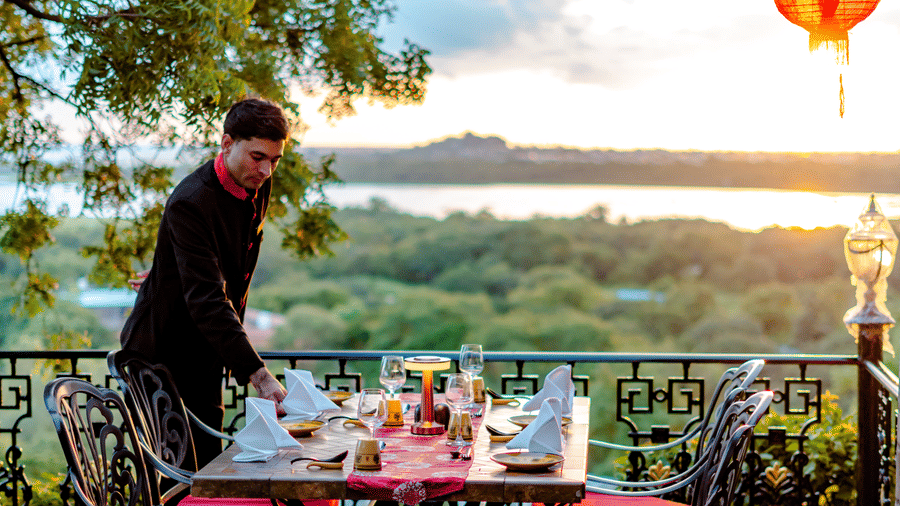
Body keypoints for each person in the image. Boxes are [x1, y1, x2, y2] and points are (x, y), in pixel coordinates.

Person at [120, 97, 289, 469]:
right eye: (257, 156)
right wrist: (259, 375)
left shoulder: (254, 183)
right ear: (227, 143)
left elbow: (223, 257)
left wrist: (172, 269)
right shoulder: (191, 201)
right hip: (161, 355)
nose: (265, 170)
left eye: (274, 160)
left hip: (207, 350)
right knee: (179, 478)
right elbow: (208, 299)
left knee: (209, 468)